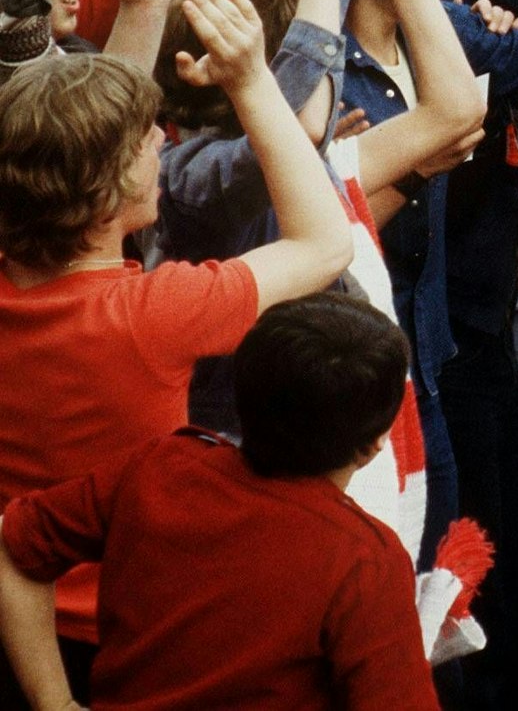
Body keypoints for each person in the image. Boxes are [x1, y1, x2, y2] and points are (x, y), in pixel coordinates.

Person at [0, 0, 355, 702]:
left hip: (19, 630)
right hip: (137, 632)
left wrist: (143, 7)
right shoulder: (157, 314)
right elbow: (324, 242)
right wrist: (254, 81)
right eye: (143, 141)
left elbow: (70, 130)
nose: (162, 140)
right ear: (103, 193)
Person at [0, 293, 439, 711]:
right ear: (375, 444)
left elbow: (13, 544)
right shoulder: (364, 560)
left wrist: (54, 701)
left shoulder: (159, 468)